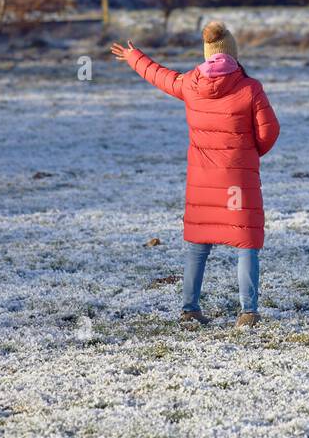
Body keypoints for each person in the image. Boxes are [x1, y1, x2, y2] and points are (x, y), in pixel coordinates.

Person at [111, 21, 279, 327]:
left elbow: (161, 76)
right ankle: (248, 312)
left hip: (202, 180)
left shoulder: (190, 83)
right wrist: (248, 155)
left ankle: (189, 309)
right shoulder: (250, 88)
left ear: (207, 54)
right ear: (233, 53)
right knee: (246, 244)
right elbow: (270, 131)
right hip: (237, 183)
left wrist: (135, 57)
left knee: (198, 245)